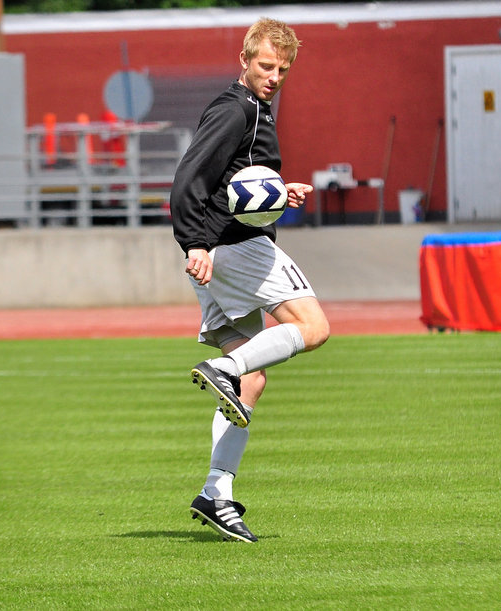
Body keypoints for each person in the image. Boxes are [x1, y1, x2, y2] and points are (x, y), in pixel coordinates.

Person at [170, 17, 330, 543]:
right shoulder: (235, 109)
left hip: (219, 252)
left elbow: (235, 184)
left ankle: (215, 494)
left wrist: (281, 192)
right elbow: (189, 180)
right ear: (244, 60)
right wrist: (194, 243)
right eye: (265, 66)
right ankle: (222, 368)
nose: (274, 77)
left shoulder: (256, 108)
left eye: (282, 70)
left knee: (252, 382)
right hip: (233, 249)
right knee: (314, 327)